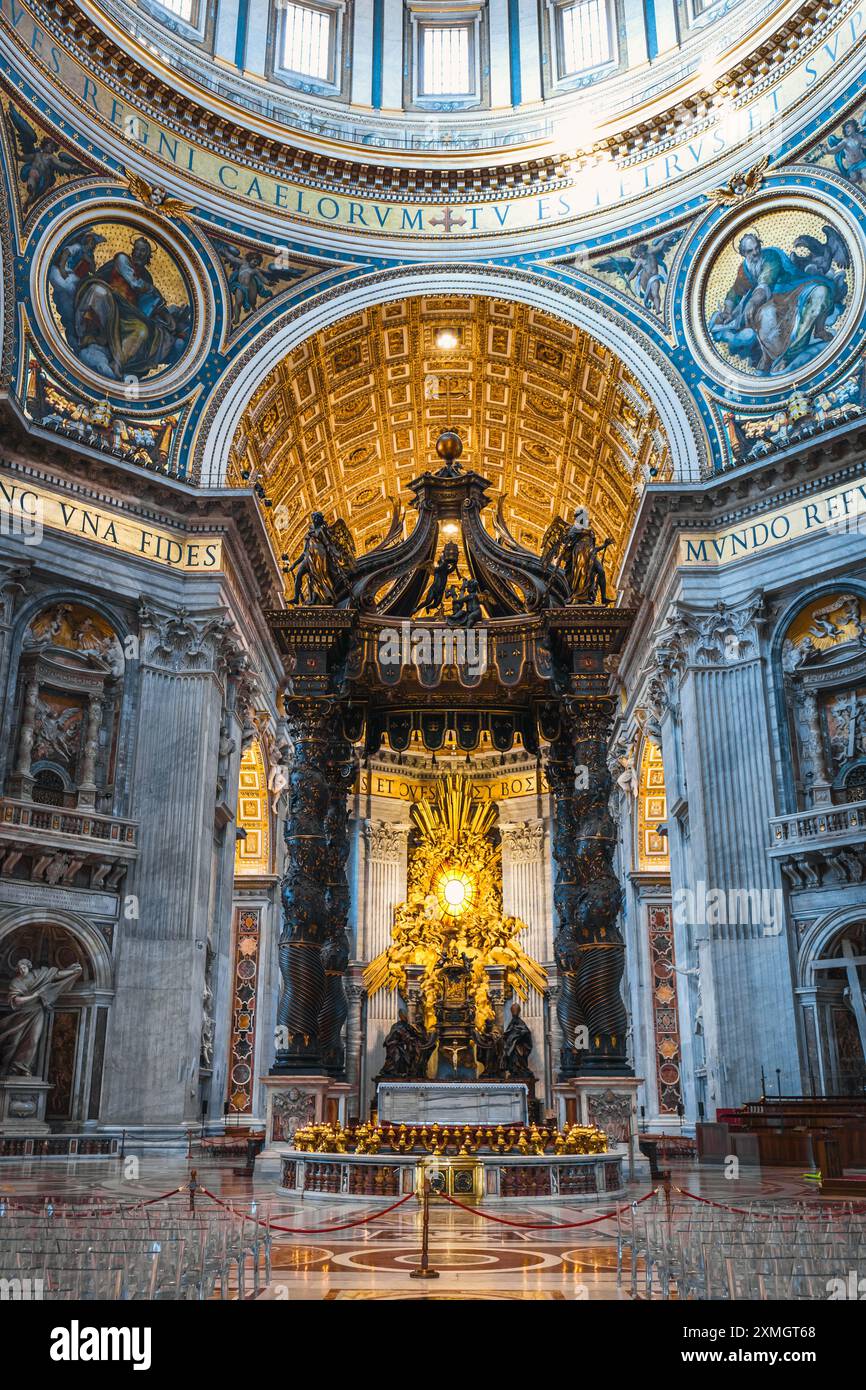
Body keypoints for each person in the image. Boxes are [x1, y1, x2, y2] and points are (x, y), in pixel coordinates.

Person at [0, 958, 83, 1076]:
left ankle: (21, 1067)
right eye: (19, 968)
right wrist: (34, 996)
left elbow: (56, 975)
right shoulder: (16, 982)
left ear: (29, 967)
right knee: (14, 1042)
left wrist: (72, 971)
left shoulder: (39, 975)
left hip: (37, 1012)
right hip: (22, 1014)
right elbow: (16, 1001)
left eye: (24, 967)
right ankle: (7, 1068)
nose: (22, 970)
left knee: (33, 1039)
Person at [501, 1001, 534, 1080]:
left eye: (515, 1010)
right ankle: (514, 1070)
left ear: (518, 1012)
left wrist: (518, 1035)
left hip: (520, 1046)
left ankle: (521, 1069)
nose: (514, 1013)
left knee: (520, 1059)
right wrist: (506, 1036)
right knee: (513, 1059)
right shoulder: (512, 1022)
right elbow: (508, 1032)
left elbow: (526, 1032)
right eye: (513, 1011)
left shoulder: (520, 1022)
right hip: (513, 1047)